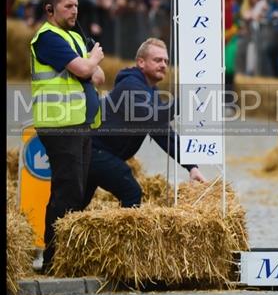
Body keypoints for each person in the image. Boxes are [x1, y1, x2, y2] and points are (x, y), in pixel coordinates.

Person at [31, 0, 104, 273]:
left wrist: (89, 64)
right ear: (50, 10)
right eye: (67, 6)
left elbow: (97, 76)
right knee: (67, 191)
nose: (75, 11)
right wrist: (91, 60)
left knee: (79, 190)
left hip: (79, 124)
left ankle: (67, 255)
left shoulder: (74, 35)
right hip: (60, 125)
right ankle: (52, 259)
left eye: (76, 6)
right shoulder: (47, 38)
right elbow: (87, 70)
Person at [86, 38, 206, 208]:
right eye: (157, 60)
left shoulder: (150, 91)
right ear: (141, 62)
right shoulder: (130, 86)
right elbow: (151, 117)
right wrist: (183, 103)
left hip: (100, 153)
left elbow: (163, 133)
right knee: (131, 192)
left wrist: (191, 167)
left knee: (77, 202)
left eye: (166, 61)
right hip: (95, 151)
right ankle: (126, 235)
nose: (164, 64)